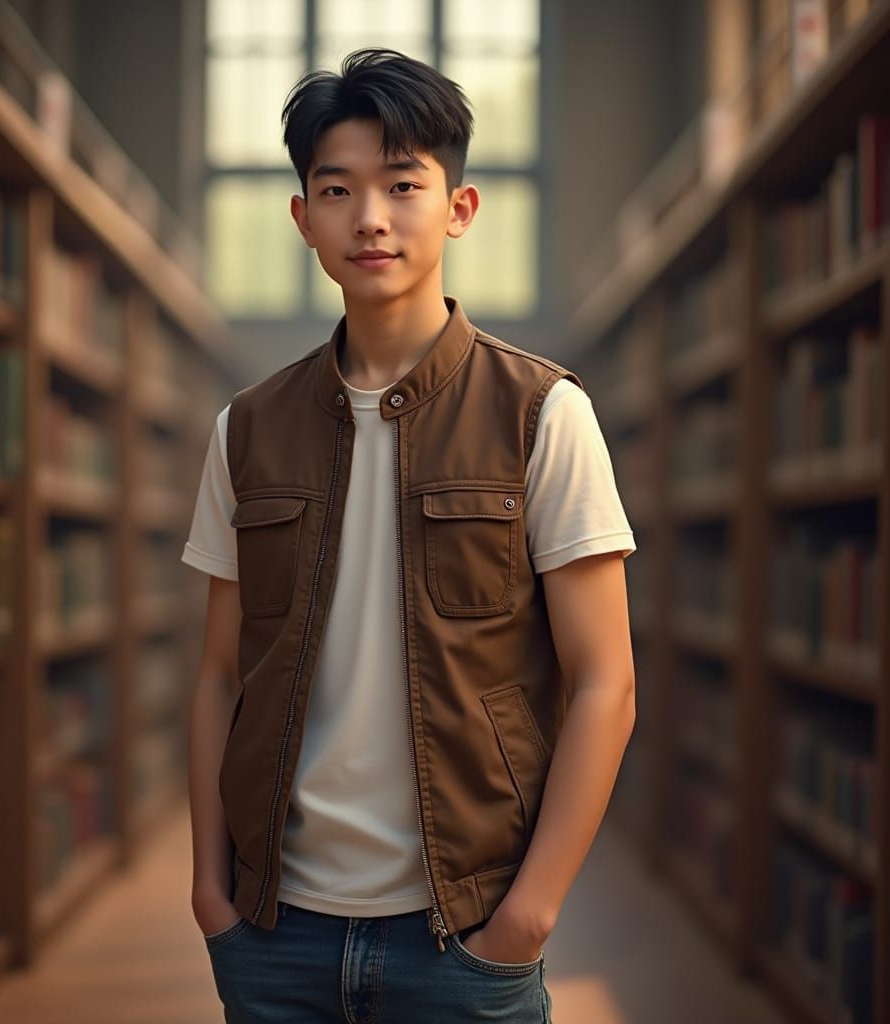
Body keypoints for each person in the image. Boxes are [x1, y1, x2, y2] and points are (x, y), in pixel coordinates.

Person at [182, 47, 637, 1023]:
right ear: (302, 218)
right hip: (273, 934)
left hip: (463, 934)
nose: (370, 217)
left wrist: (527, 915)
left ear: (459, 208)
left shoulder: (543, 415)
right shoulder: (246, 430)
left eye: (401, 185)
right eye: (336, 190)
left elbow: (606, 681)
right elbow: (220, 674)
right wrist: (210, 892)